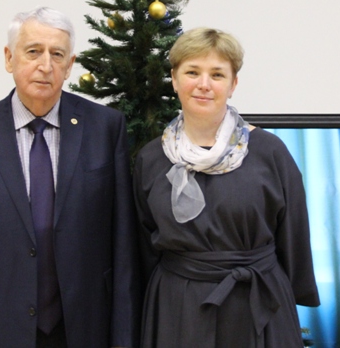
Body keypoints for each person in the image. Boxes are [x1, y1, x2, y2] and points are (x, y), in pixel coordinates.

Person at [0, 7, 140, 348]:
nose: (45, 66)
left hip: (84, 329)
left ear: (70, 65)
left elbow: (123, 250)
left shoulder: (105, 129)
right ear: (9, 58)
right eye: (33, 51)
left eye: (57, 55)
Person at [133, 27, 320, 347]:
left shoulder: (270, 152)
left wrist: (290, 297)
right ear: (174, 79)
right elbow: (143, 245)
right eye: (192, 72)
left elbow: (294, 236)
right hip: (178, 307)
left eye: (217, 74)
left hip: (257, 302)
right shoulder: (151, 158)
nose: (204, 84)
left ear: (233, 85)